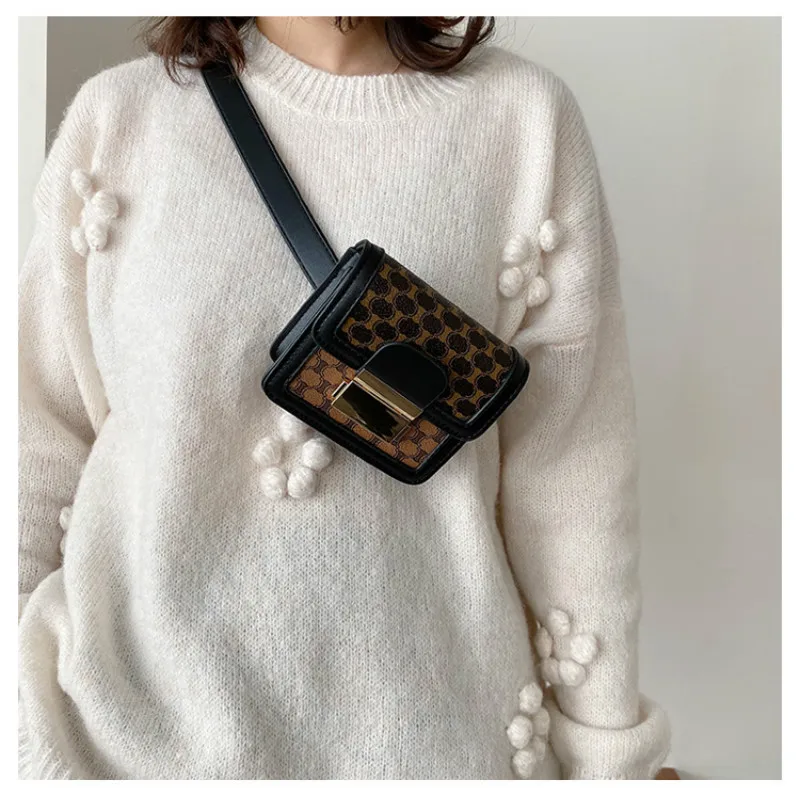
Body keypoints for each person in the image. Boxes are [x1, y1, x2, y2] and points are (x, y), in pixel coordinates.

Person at [18, 16, 670, 779]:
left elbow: (574, 481)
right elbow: (36, 438)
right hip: (111, 745)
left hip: (433, 746)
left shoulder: (524, 122)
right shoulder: (121, 118)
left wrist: (610, 760)